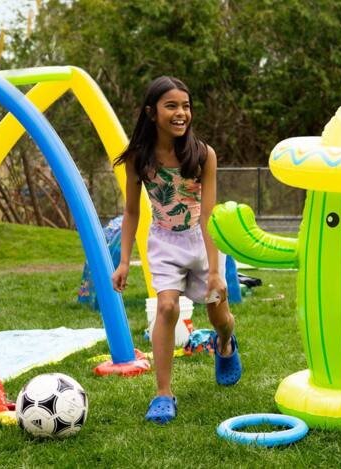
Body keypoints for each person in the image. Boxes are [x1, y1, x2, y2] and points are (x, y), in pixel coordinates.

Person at [112, 76, 241, 424]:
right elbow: (132, 211)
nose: (181, 113)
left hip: (203, 241)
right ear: (152, 113)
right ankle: (163, 393)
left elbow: (210, 215)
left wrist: (215, 270)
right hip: (165, 241)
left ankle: (227, 344)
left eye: (185, 106)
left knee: (219, 316)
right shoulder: (139, 157)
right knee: (167, 307)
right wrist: (124, 261)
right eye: (172, 106)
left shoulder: (202, 154)